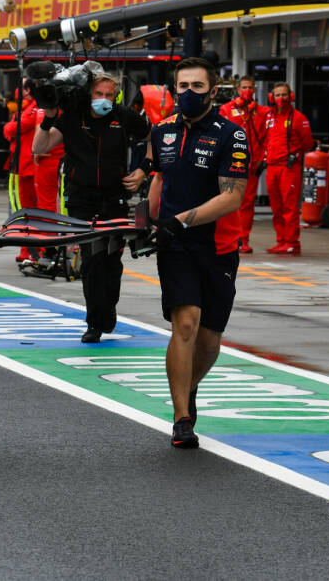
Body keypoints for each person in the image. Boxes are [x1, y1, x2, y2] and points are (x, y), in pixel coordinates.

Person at [148, 57, 249, 448]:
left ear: (213, 91)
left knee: (208, 341)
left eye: (197, 86)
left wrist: (182, 219)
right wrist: (149, 222)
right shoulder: (161, 131)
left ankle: (187, 388)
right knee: (185, 324)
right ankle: (182, 418)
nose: (188, 93)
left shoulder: (232, 134)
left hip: (220, 245)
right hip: (175, 244)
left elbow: (232, 197)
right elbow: (159, 179)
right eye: (182, 86)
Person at [33, 73, 151, 343]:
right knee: (91, 260)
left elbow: (155, 136)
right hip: (81, 199)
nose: (104, 100)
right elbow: (38, 146)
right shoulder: (74, 116)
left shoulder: (123, 116)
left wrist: (145, 169)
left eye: (109, 95)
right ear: (90, 94)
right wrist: (49, 116)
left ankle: (107, 309)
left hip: (114, 198)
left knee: (111, 260)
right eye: (99, 94)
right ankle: (94, 323)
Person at [219, 75, 269, 254]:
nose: (247, 90)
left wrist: (263, 159)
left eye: (250, 87)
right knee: (227, 203)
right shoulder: (226, 109)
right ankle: (229, 239)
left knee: (247, 205)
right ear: (238, 90)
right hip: (229, 165)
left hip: (252, 166)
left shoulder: (262, 112)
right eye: (244, 87)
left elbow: (266, 138)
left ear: (254, 90)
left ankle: (244, 239)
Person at [263, 82, 313, 255]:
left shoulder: (298, 118)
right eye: (277, 95)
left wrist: (294, 156)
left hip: (289, 168)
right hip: (271, 168)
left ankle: (292, 242)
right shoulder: (269, 117)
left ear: (290, 96)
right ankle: (281, 240)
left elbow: (307, 143)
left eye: (284, 95)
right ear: (272, 97)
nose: (281, 98)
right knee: (276, 208)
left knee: (289, 208)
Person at [4, 84, 44, 263]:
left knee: (33, 209)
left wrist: (11, 125)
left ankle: (37, 249)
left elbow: (15, 128)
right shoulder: (28, 107)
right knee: (24, 210)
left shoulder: (36, 107)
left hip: (30, 165)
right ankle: (26, 248)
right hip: (22, 164)